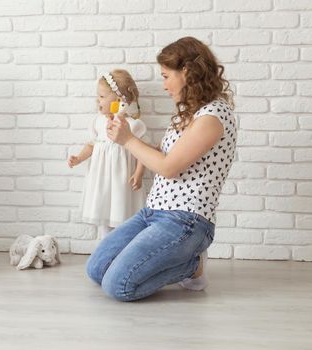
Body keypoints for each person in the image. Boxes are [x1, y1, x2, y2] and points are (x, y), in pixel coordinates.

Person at [86, 37, 237, 301]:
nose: (164, 84)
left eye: (167, 76)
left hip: (186, 220)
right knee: (96, 268)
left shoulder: (212, 117)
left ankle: (192, 265)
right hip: (153, 211)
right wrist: (126, 138)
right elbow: (160, 155)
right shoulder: (188, 114)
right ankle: (176, 261)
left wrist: (129, 140)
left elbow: (168, 168)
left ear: (187, 72)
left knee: (117, 286)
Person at [68, 69, 148, 239]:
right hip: (101, 180)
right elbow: (92, 145)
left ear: (119, 100)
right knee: (103, 214)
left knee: (122, 213)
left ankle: (123, 249)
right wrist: (79, 158)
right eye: (98, 96)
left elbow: (142, 152)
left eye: (102, 96)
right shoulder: (98, 122)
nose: (98, 100)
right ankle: (104, 247)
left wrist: (139, 173)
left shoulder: (133, 125)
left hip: (122, 180)